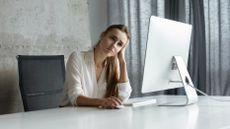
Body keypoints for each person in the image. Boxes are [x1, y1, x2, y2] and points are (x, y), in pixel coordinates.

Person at [60, 24, 132, 109]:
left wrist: (122, 62)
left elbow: (123, 97)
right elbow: (75, 97)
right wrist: (103, 102)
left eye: (119, 44)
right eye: (112, 38)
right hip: (70, 115)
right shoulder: (77, 58)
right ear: (102, 35)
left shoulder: (114, 66)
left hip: (95, 115)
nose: (114, 45)